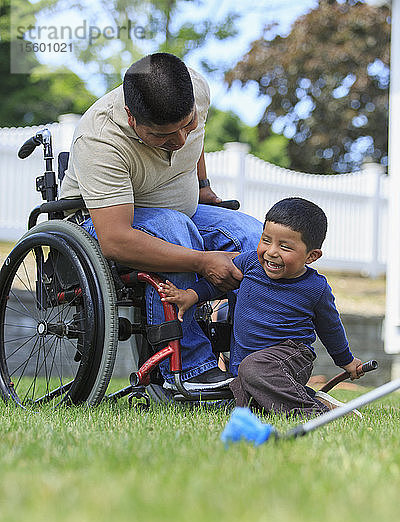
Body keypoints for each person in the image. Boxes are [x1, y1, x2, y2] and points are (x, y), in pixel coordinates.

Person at [59, 52, 263, 391]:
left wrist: (203, 186)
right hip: (102, 222)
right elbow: (116, 239)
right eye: (164, 136)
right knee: (172, 229)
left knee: (254, 238)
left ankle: (252, 366)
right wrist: (201, 260)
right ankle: (190, 369)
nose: (180, 140)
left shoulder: (195, 90)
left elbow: (194, 145)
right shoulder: (99, 138)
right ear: (132, 118)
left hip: (181, 211)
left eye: (187, 125)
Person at [158, 197, 364, 416]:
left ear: (311, 256)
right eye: (266, 240)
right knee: (246, 400)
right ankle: (308, 397)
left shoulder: (316, 288)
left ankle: (315, 413)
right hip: (245, 363)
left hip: (291, 356)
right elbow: (218, 282)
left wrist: (347, 361)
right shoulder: (250, 264)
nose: (271, 252)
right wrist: (191, 295)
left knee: (254, 370)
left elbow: (330, 328)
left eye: (285, 246)